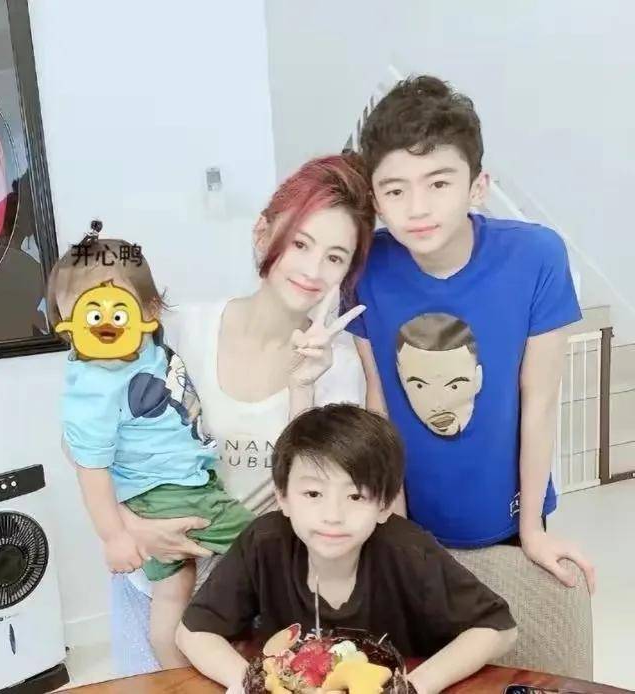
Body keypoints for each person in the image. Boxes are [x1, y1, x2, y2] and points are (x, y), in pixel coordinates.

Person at [108, 153, 376, 673]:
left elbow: (312, 497)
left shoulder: (339, 367)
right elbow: (93, 437)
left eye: (335, 257)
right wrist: (128, 527)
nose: (312, 270)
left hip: (250, 596)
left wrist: (303, 387)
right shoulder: (181, 329)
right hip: (153, 577)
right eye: (300, 243)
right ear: (262, 233)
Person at [347, 75, 595, 590]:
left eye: (438, 183)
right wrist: (395, 527)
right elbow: (380, 403)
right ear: (376, 199)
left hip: (509, 512)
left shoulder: (536, 256)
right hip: (412, 514)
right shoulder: (365, 267)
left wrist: (532, 529)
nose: (417, 208)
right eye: (396, 190)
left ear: (477, 186)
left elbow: (540, 400)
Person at [176, 404, 518, 694]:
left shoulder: (408, 551)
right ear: (283, 497)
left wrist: (414, 686)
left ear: (384, 504)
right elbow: (193, 632)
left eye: (356, 496)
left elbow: (499, 629)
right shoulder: (264, 543)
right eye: (313, 494)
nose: (333, 515)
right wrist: (249, 685)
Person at [47, 223, 255, 667]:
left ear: (149, 310)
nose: (103, 326)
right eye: (84, 315)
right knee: (265, 544)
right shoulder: (94, 387)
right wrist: (115, 536)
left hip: (185, 479)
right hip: (165, 492)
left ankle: (175, 669)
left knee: (174, 589)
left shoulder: (146, 344)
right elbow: (90, 469)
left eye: (115, 310)